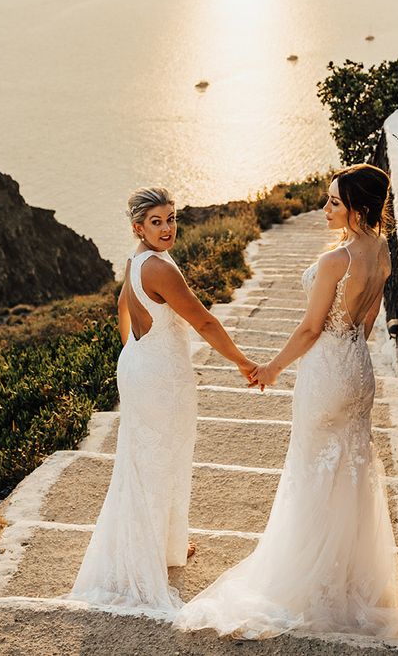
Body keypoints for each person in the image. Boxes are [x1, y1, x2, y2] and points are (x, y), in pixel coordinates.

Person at [174, 165, 398, 639]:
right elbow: (366, 322)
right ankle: (349, 581)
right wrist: (348, 357)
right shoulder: (383, 251)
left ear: (359, 208)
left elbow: (309, 328)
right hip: (356, 369)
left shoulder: (337, 261)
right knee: (349, 470)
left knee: (311, 472)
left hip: (326, 371)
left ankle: (308, 581)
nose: (324, 209)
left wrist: (272, 368)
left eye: (334, 203)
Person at [69, 187, 256, 612]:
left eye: (171, 218)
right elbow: (205, 321)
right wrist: (244, 363)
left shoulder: (136, 259)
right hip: (160, 377)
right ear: (138, 227)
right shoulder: (160, 268)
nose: (168, 228)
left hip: (139, 366)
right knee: (160, 461)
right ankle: (148, 556)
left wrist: (136, 350)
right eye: (157, 222)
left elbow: (121, 305)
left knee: (149, 459)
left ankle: (165, 546)